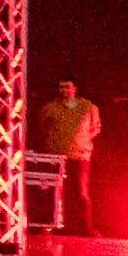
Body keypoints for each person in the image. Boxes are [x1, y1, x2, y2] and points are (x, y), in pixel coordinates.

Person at [34, 79, 101, 235]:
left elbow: (96, 128)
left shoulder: (88, 108)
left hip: (81, 155)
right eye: (61, 87)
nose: (64, 90)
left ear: (75, 89)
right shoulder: (51, 108)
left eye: (67, 87)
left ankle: (86, 227)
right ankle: (51, 224)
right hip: (57, 156)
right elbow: (43, 126)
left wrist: (83, 140)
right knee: (55, 191)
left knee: (81, 192)